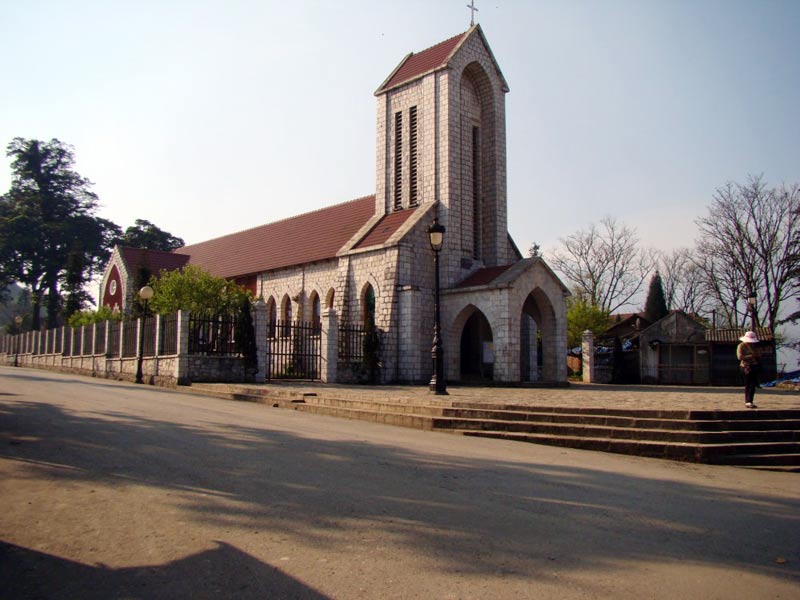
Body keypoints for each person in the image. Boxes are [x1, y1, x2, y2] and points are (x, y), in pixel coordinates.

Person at [736, 331, 761, 408]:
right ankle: (748, 401)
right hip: (745, 367)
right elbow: (740, 357)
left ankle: (750, 400)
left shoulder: (754, 346)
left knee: (753, 384)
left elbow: (758, 355)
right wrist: (751, 356)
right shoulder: (741, 346)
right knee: (748, 384)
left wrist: (757, 356)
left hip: (754, 365)